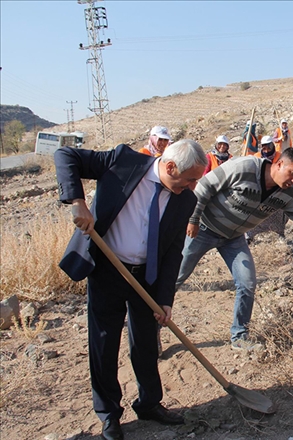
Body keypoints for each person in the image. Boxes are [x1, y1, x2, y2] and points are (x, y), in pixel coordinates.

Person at [54, 140, 207, 440]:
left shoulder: (185, 200)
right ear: (171, 166)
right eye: (190, 179)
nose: (193, 186)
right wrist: (77, 202)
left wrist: (165, 300)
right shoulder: (123, 162)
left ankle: (149, 403)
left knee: (147, 343)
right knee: (104, 343)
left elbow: (174, 251)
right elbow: (65, 155)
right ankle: (109, 413)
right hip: (107, 269)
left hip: (146, 276)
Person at [176, 147, 293, 351]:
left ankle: (239, 336)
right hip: (204, 229)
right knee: (175, 276)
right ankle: (152, 322)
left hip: (234, 238)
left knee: (247, 283)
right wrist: (193, 218)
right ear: (279, 164)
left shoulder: (287, 194)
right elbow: (205, 187)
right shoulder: (243, 167)